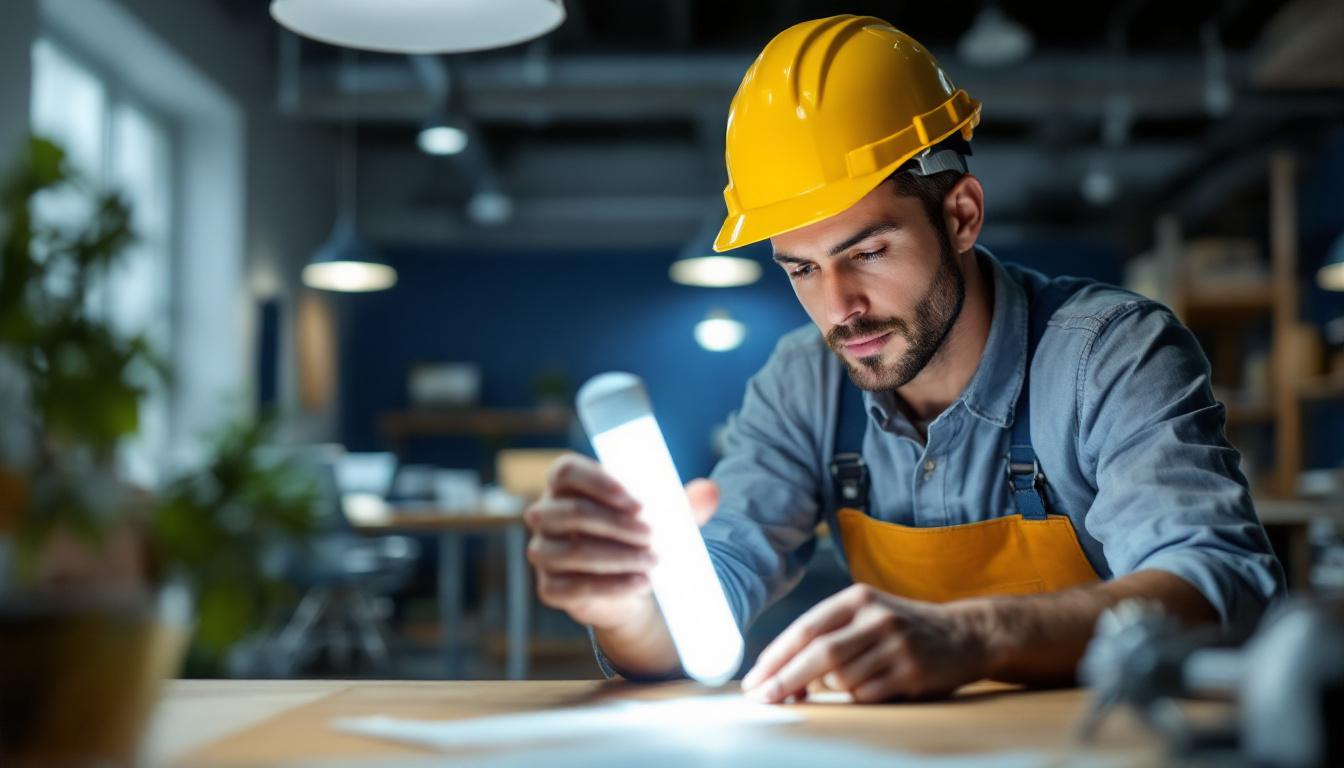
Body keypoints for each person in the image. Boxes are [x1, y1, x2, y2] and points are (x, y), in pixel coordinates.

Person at [523, 14, 1284, 703]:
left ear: (961, 215)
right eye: (801, 269)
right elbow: (706, 608)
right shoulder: (804, 385)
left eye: (868, 252)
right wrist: (630, 604)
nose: (839, 306)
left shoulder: (1113, 353)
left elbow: (1221, 585)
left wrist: (972, 636)